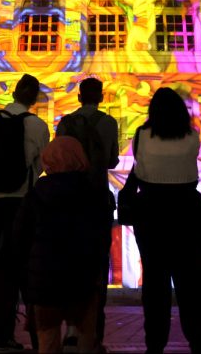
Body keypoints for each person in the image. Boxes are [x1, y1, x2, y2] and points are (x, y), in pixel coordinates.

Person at [0, 73, 50, 352]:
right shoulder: (37, 126)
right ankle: (34, 335)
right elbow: (41, 165)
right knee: (22, 269)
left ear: (14, 92)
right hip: (20, 202)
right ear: (35, 98)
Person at [132, 87, 201, 354]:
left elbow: (139, 167)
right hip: (187, 210)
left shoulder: (141, 135)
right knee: (190, 280)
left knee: (155, 280)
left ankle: (155, 342)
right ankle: (197, 337)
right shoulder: (192, 136)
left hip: (151, 211)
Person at [13, 136, 105, 353]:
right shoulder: (93, 193)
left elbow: (20, 236)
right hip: (82, 278)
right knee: (85, 338)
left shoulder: (36, 193)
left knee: (47, 340)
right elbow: (100, 238)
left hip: (44, 280)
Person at [56, 77, 119, 349]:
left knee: (68, 262)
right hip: (97, 199)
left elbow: (58, 157)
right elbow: (112, 160)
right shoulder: (109, 123)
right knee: (97, 264)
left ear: (79, 96)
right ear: (101, 97)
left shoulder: (65, 123)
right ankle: (95, 332)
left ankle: (70, 327)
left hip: (68, 198)